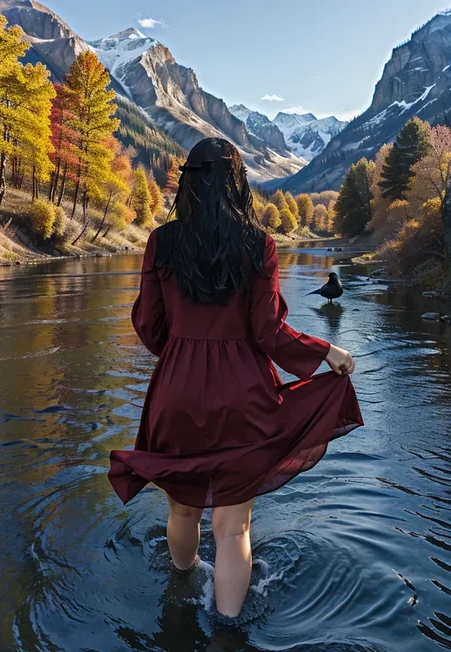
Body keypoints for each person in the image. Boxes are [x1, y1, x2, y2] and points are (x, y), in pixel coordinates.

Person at [108, 138, 363, 618]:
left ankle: (180, 599)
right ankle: (227, 635)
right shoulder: (259, 244)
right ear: (237, 183)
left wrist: (183, 355)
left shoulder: (161, 241)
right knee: (233, 528)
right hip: (244, 395)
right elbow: (269, 333)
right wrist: (327, 350)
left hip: (176, 393)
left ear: (188, 182)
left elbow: (146, 324)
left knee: (181, 508)